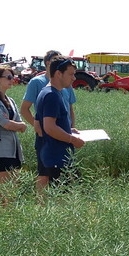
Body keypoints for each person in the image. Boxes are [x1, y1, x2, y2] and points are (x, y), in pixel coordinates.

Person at [34, 57, 86, 193]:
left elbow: (42, 124)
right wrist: (72, 139)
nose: (74, 78)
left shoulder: (48, 92)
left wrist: (67, 130)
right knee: (63, 200)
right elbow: (49, 127)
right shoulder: (52, 95)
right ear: (58, 73)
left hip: (55, 156)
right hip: (57, 158)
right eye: (71, 74)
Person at [0, 66, 28, 202]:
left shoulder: (11, 100)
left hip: (14, 150)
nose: (12, 80)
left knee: (12, 190)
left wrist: (16, 125)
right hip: (0, 150)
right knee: (0, 192)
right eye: (8, 77)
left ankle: (9, 214)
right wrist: (16, 125)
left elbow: (19, 123)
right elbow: (6, 124)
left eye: (12, 77)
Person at [20, 50, 77, 135]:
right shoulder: (36, 82)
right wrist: (39, 128)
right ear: (47, 63)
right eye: (55, 60)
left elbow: (70, 108)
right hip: (49, 136)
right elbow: (24, 109)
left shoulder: (66, 83)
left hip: (65, 134)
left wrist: (71, 129)